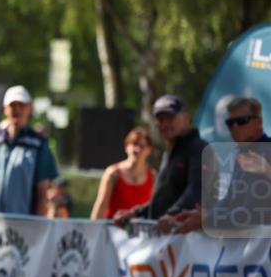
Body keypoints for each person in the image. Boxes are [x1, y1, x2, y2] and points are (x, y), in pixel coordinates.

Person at [172, 96, 271, 234]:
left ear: (259, 122)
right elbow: (230, 199)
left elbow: (251, 215)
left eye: (242, 121)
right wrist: (204, 214)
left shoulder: (264, 153)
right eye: (230, 123)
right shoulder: (244, 152)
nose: (235, 127)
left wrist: (207, 219)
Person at [112, 94, 207, 233]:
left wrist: (173, 214)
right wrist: (136, 212)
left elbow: (197, 189)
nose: (165, 124)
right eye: (160, 119)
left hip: (186, 242)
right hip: (165, 240)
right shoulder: (169, 153)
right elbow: (164, 199)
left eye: (170, 118)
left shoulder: (199, 148)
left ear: (186, 117)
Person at [0, 85, 59, 215]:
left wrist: (38, 226)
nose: (17, 110)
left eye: (21, 105)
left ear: (29, 108)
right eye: (12, 106)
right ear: (5, 109)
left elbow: (42, 192)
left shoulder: (38, 145)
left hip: (22, 225)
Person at [90, 127, 154, 219]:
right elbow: (101, 206)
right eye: (134, 144)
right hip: (113, 228)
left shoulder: (153, 176)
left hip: (139, 230)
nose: (137, 149)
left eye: (142, 146)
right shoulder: (113, 173)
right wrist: (92, 231)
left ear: (149, 150)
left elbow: (152, 208)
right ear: (126, 147)